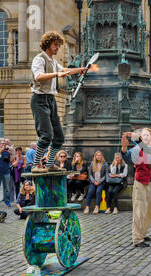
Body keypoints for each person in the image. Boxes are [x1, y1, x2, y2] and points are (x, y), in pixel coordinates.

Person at [30, 31, 87, 173]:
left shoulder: (53, 62)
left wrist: (81, 69)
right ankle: (36, 165)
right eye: (56, 45)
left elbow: (65, 71)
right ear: (48, 44)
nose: (57, 48)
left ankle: (49, 165)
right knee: (46, 135)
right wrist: (56, 74)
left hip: (51, 100)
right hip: (39, 100)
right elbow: (38, 77)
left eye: (58, 45)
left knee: (59, 137)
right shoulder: (39, 59)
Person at [121, 128, 151, 248]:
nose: (146, 136)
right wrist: (124, 148)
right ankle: (137, 238)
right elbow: (127, 158)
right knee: (139, 211)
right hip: (140, 183)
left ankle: (143, 233)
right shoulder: (136, 149)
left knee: (149, 211)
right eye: (144, 135)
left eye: (148, 134)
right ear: (142, 138)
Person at [84, 151, 108, 215]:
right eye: (97, 155)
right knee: (90, 191)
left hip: (101, 182)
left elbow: (106, 175)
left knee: (98, 191)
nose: (98, 156)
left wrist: (99, 181)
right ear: (95, 156)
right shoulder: (92, 163)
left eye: (100, 155)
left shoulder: (105, 164)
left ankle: (97, 207)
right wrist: (94, 181)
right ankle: (87, 207)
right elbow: (90, 174)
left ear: (102, 156)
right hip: (93, 181)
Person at [0, 140, 15, 207]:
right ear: (0, 145)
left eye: (5, 144)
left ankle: (7, 201)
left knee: (7, 188)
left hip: (6, 172)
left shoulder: (7, 152)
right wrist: (0, 151)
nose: (4, 145)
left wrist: (10, 154)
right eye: (2, 144)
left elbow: (12, 161)